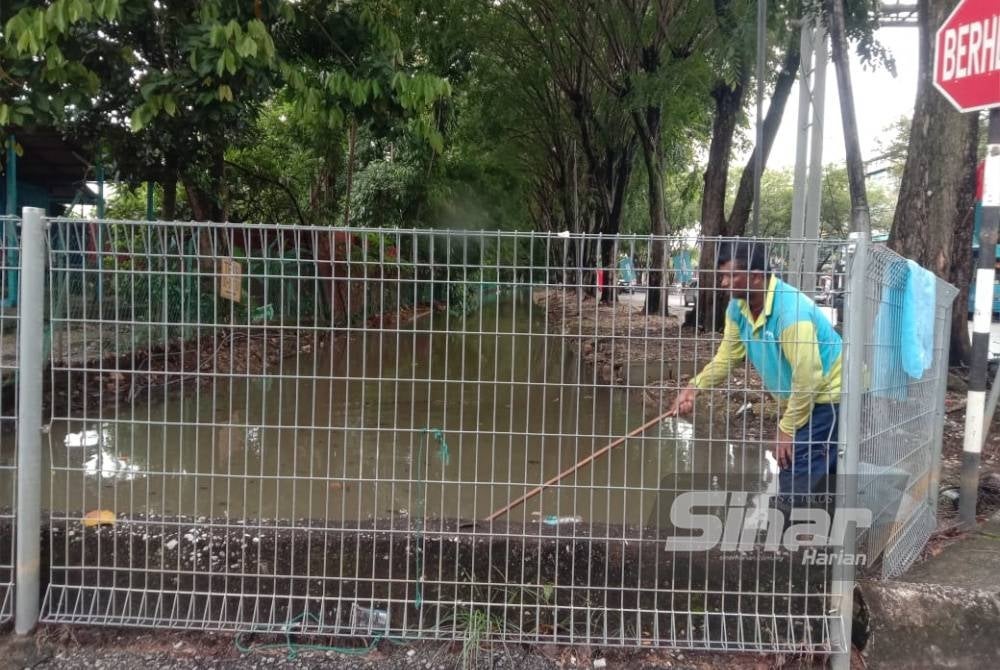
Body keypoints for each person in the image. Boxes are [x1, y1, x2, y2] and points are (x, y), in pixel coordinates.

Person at [667, 240, 842, 507]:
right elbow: (727, 357)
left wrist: (786, 428)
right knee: (814, 478)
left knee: (795, 473)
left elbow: (809, 378)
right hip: (806, 396)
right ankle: (818, 537)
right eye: (722, 276)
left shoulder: (790, 312)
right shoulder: (738, 308)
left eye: (731, 275)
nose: (724, 283)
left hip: (829, 397)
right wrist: (693, 387)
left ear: (757, 277)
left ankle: (794, 541)